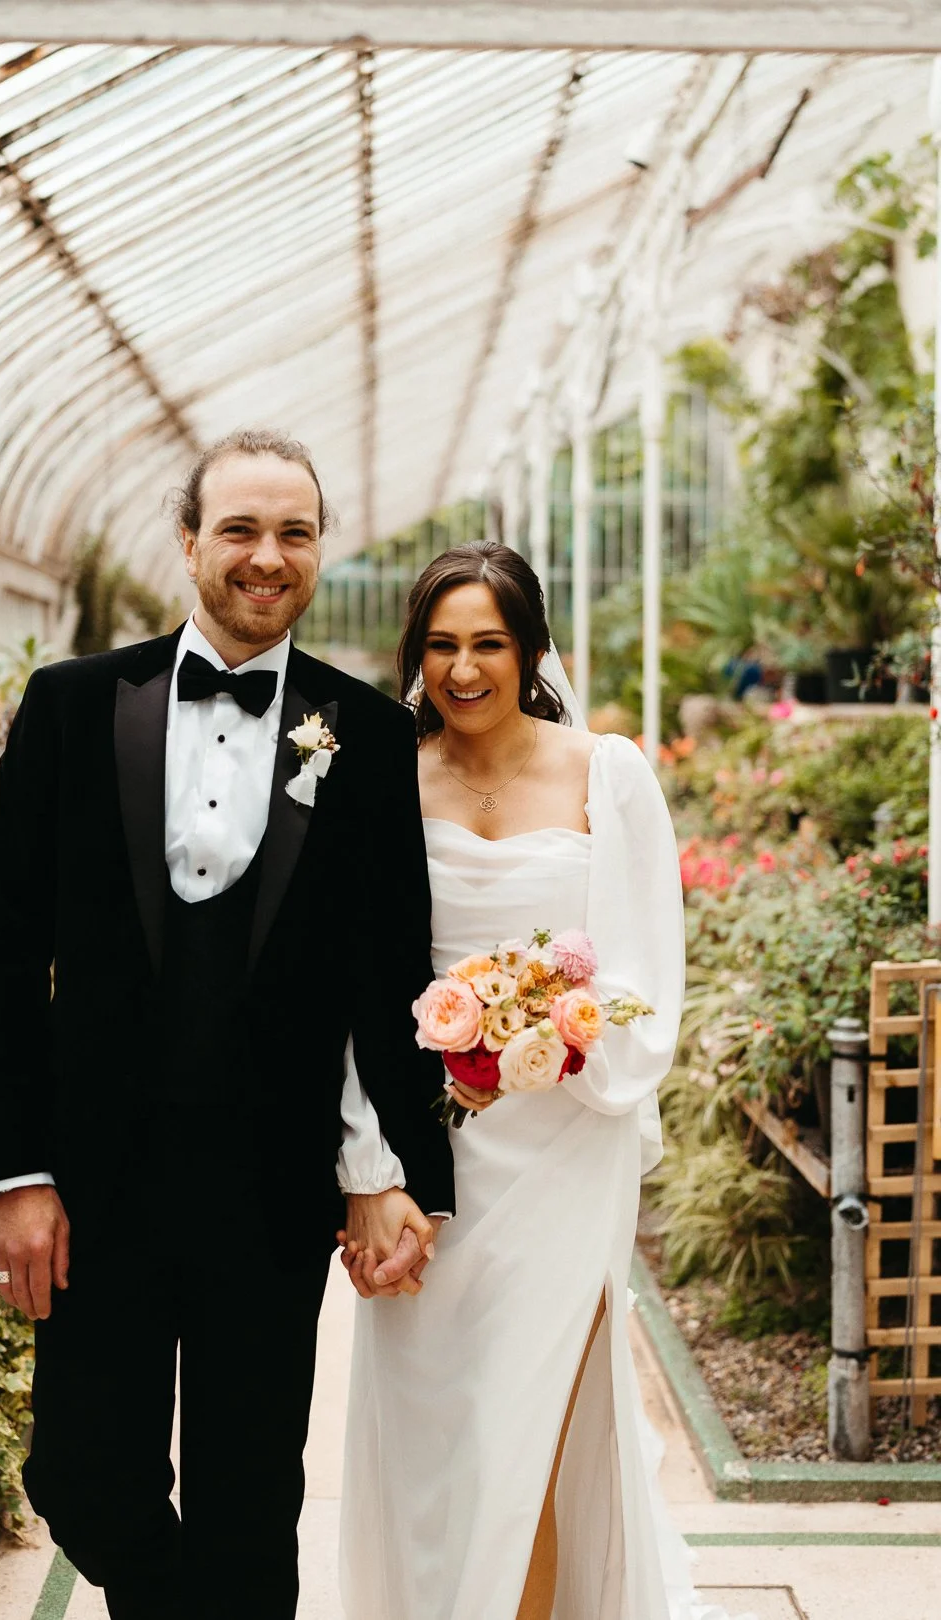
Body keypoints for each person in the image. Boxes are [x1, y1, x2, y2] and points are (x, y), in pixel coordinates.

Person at [0, 428, 455, 1620]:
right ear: (188, 543)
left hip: (269, 1192)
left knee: (247, 1502)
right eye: (239, 529)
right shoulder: (74, 706)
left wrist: (385, 1170)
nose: (267, 557)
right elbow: (6, 955)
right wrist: (15, 1172)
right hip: (93, 1183)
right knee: (81, 1478)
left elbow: (388, 974)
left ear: (321, 549)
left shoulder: (371, 735)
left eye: (294, 532)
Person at [336, 543, 753, 1620]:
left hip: (568, 1138)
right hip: (430, 1142)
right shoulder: (384, 775)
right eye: (440, 645)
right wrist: (370, 1158)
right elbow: (355, 977)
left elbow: (645, 971)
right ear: (415, 656)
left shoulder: (606, 773)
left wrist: (552, 1036)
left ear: (528, 651)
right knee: (439, 1426)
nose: (463, 669)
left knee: (532, 1420)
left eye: (487, 644)